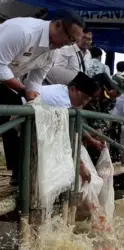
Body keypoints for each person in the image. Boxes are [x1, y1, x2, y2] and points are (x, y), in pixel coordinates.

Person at [0, 9, 85, 185]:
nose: (68, 44)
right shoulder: (23, 32)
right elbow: (0, 66)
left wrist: (33, 98)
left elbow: (36, 79)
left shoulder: (53, 51)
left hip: (7, 82)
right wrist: (24, 91)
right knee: (12, 110)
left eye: (73, 42)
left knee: (23, 117)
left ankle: (20, 178)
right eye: (69, 38)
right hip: (4, 76)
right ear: (58, 25)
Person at [84, 73, 124, 164]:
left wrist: (100, 129)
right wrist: (96, 129)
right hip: (86, 122)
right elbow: (91, 110)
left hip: (97, 128)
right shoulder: (96, 91)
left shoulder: (112, 99)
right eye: (117, 91)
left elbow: (106, 116)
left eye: (120, 93)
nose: (118, 95)